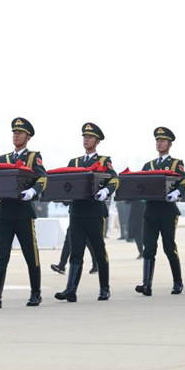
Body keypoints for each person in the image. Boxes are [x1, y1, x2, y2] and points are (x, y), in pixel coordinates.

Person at [0, 117, 49, 309]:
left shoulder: (33, 156)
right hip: (5, 212)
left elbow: (43, 177)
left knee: (31, 254)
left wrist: (33, 191)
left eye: (19, 133)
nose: (16, 135)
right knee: (1, 255)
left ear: (27, 137)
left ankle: (35, 293)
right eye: (14, 132)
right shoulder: (3, 159)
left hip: (23, 212)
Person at [55, 122, 119, 303]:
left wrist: (106, 191)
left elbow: (114, 179)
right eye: (84, 136)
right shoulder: (74, 162)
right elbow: (66, 183)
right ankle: (71, 289)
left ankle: (104, 288)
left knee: (99, 250)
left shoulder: (103, 161)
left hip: (94, 212)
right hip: (77, 212)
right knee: (76, 251)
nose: (86, 139)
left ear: (97, 141)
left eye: (89, 137)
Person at [135, 127, 185, 297]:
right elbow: (141, 185)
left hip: (167, 211)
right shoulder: (148, 165)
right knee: (149, 248)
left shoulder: (175, 163)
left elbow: (184, 181)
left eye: (163, 141)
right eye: (157, 140)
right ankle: (146, 284)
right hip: (151, 210)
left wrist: (177, 192)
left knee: (168, 247)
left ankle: (178, 282)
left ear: (170, 144)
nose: (159, 143)